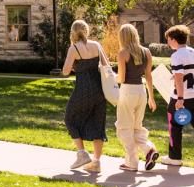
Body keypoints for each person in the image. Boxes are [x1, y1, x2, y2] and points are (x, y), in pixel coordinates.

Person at [61, 19, 108, 172]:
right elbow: (107, 66)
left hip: (83, 89)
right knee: (97, 123)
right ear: (86, 31)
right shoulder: (96, 45)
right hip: (99, 91)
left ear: (73, 33)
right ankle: (96, 162)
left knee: (69, 118)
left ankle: (82, 153)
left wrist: (78, 67)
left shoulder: (74, 48)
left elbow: (65, 71)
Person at [115, 22, 158, 171]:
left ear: (122, 37)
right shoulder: (146, 52)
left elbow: (121, 79)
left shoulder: (123, 53)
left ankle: (132, 162)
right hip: (142, 92)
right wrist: (152, 98)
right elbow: (149, 76)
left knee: (123, 128)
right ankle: (148, 150)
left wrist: (110, 77)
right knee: (136, 127)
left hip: (127, 91)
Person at [163, 24, 194, 166]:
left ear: (174, 39)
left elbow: (180, 79)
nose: (168, 42)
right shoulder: (192, 52)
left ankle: (174, 158)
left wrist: (180, 99)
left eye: (168, 39)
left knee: (174, 125)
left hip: (180, 97)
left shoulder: (176, 55)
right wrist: (174, 76)